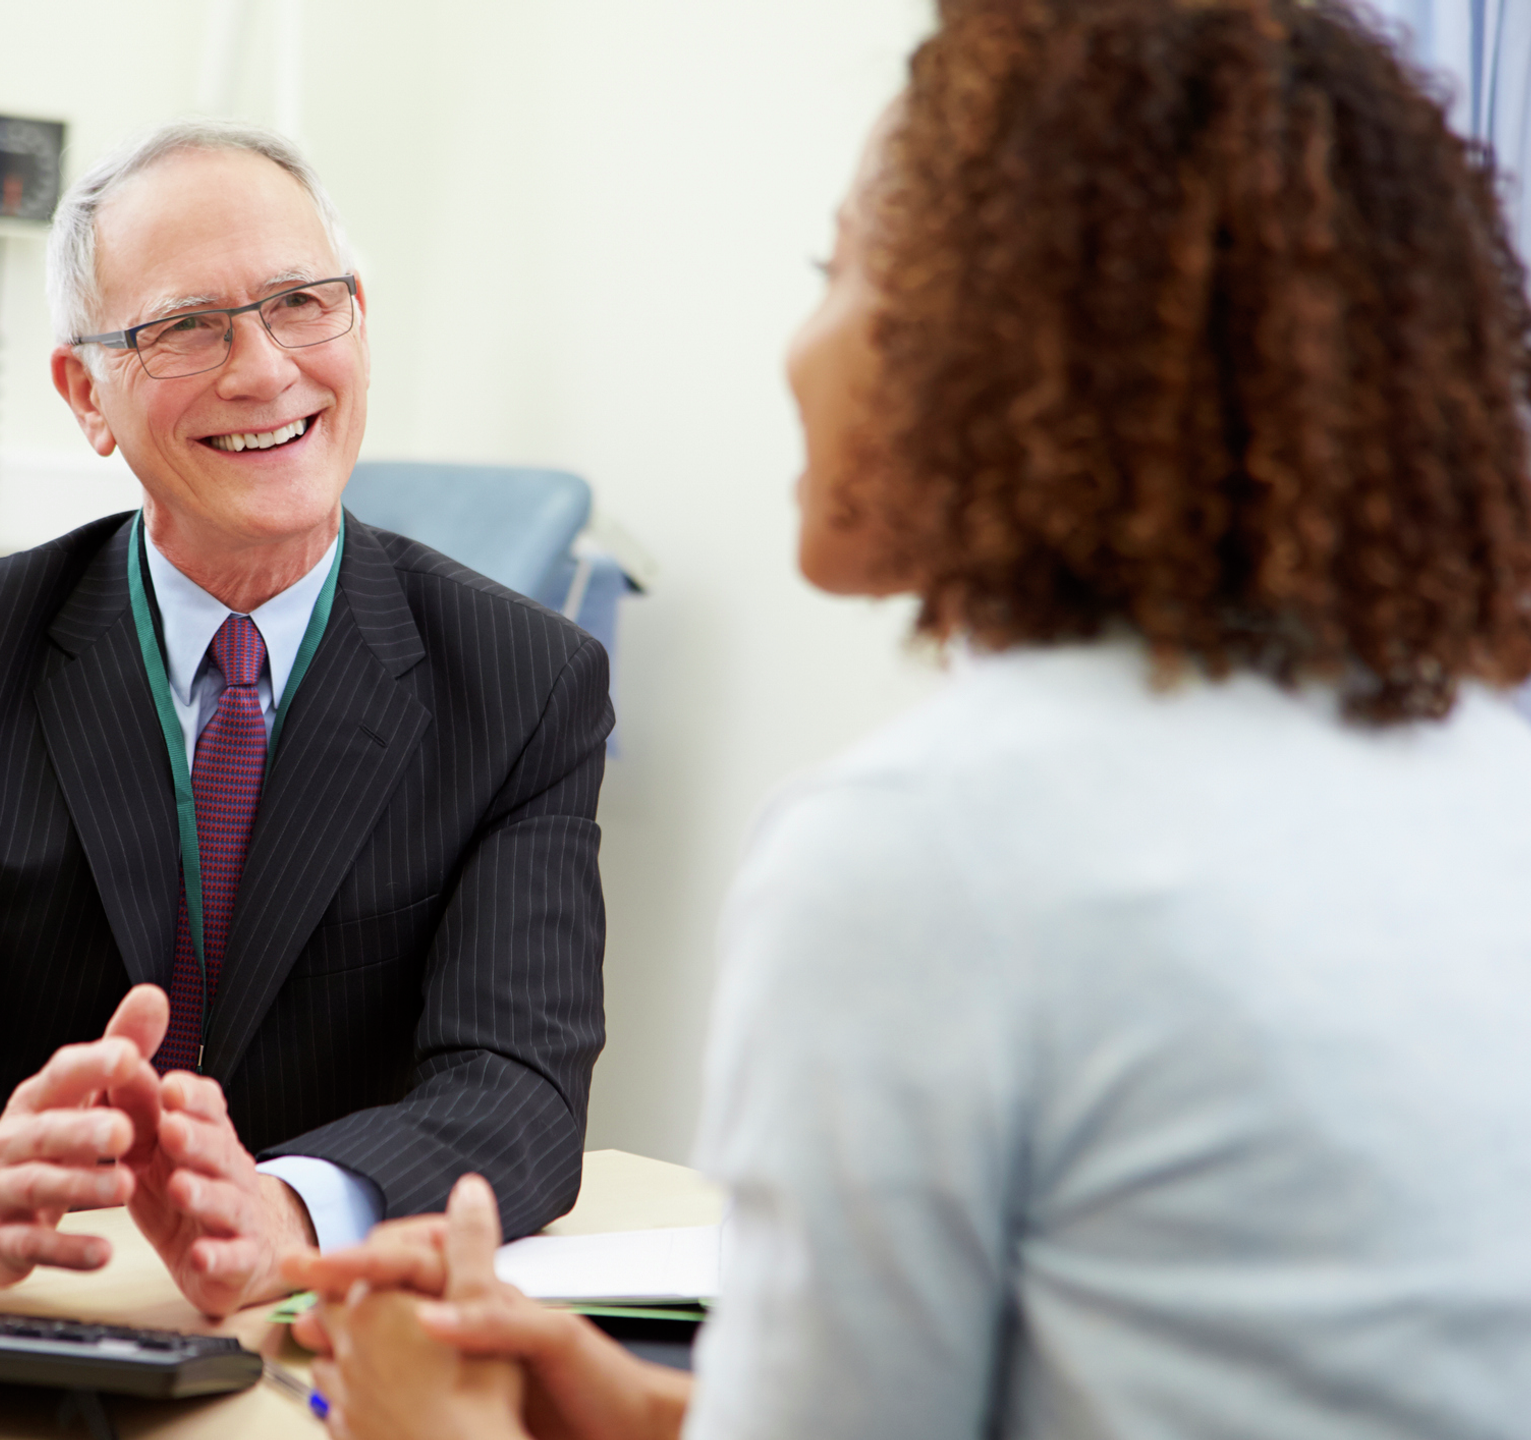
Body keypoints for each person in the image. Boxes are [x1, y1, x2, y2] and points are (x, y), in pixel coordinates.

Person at [285, 0, 1531, 1432]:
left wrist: (426, 1426)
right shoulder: (1488, 782)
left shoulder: (931, 850)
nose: (798, 347)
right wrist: (644, 1415)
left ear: (997, 345)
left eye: (839, 269)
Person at [0, 120, 611, 1316]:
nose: (262, 369)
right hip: (28, 1312)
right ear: (85, 392)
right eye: (185, 326)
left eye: (302, 302)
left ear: (358, 317)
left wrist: (286, 1212)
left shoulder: (522, 679)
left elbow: (517, 1089)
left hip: (322, 1332)